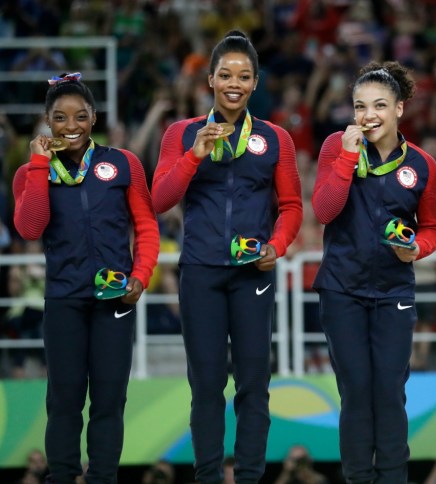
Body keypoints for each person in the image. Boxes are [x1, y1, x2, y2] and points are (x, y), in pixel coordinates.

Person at [152, 30, 303, 483]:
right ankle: (209, 477)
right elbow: (159, 199)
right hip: (200, 272)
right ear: (211, 82)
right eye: (225, 74)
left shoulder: (276, 139)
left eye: (243, 75)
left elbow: (293, 208)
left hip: (251, 274)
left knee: (254, 386)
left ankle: (252, 476)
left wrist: (276, 247)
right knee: (206, 388)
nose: (233, 83)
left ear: (255, 83)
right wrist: (193, 156)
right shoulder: (181, 134)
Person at [12, 72, 159, 483]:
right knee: (64, 401)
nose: (71, 126)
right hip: (64, 300)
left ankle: (102, 478)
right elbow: (30, 227)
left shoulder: (123, 163)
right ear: (47, 122)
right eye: (60, 118)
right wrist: (40, 164)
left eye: (80, 116)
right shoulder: (30, 173)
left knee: (110, 400)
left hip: (114, 299)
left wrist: (141, 276)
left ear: (93, 117)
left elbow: (146, 226)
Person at [312, 60, 436, 483]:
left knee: (389, 393)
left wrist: (416, 249)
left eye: (379, 105)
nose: (368, 115)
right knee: (356, 393)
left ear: (400, 108)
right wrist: (348, 157)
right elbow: (324, 210)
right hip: (342, 289)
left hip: (393, 292)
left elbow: (433, 228)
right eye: (360, 106)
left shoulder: (421, 165)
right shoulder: (337, 146)